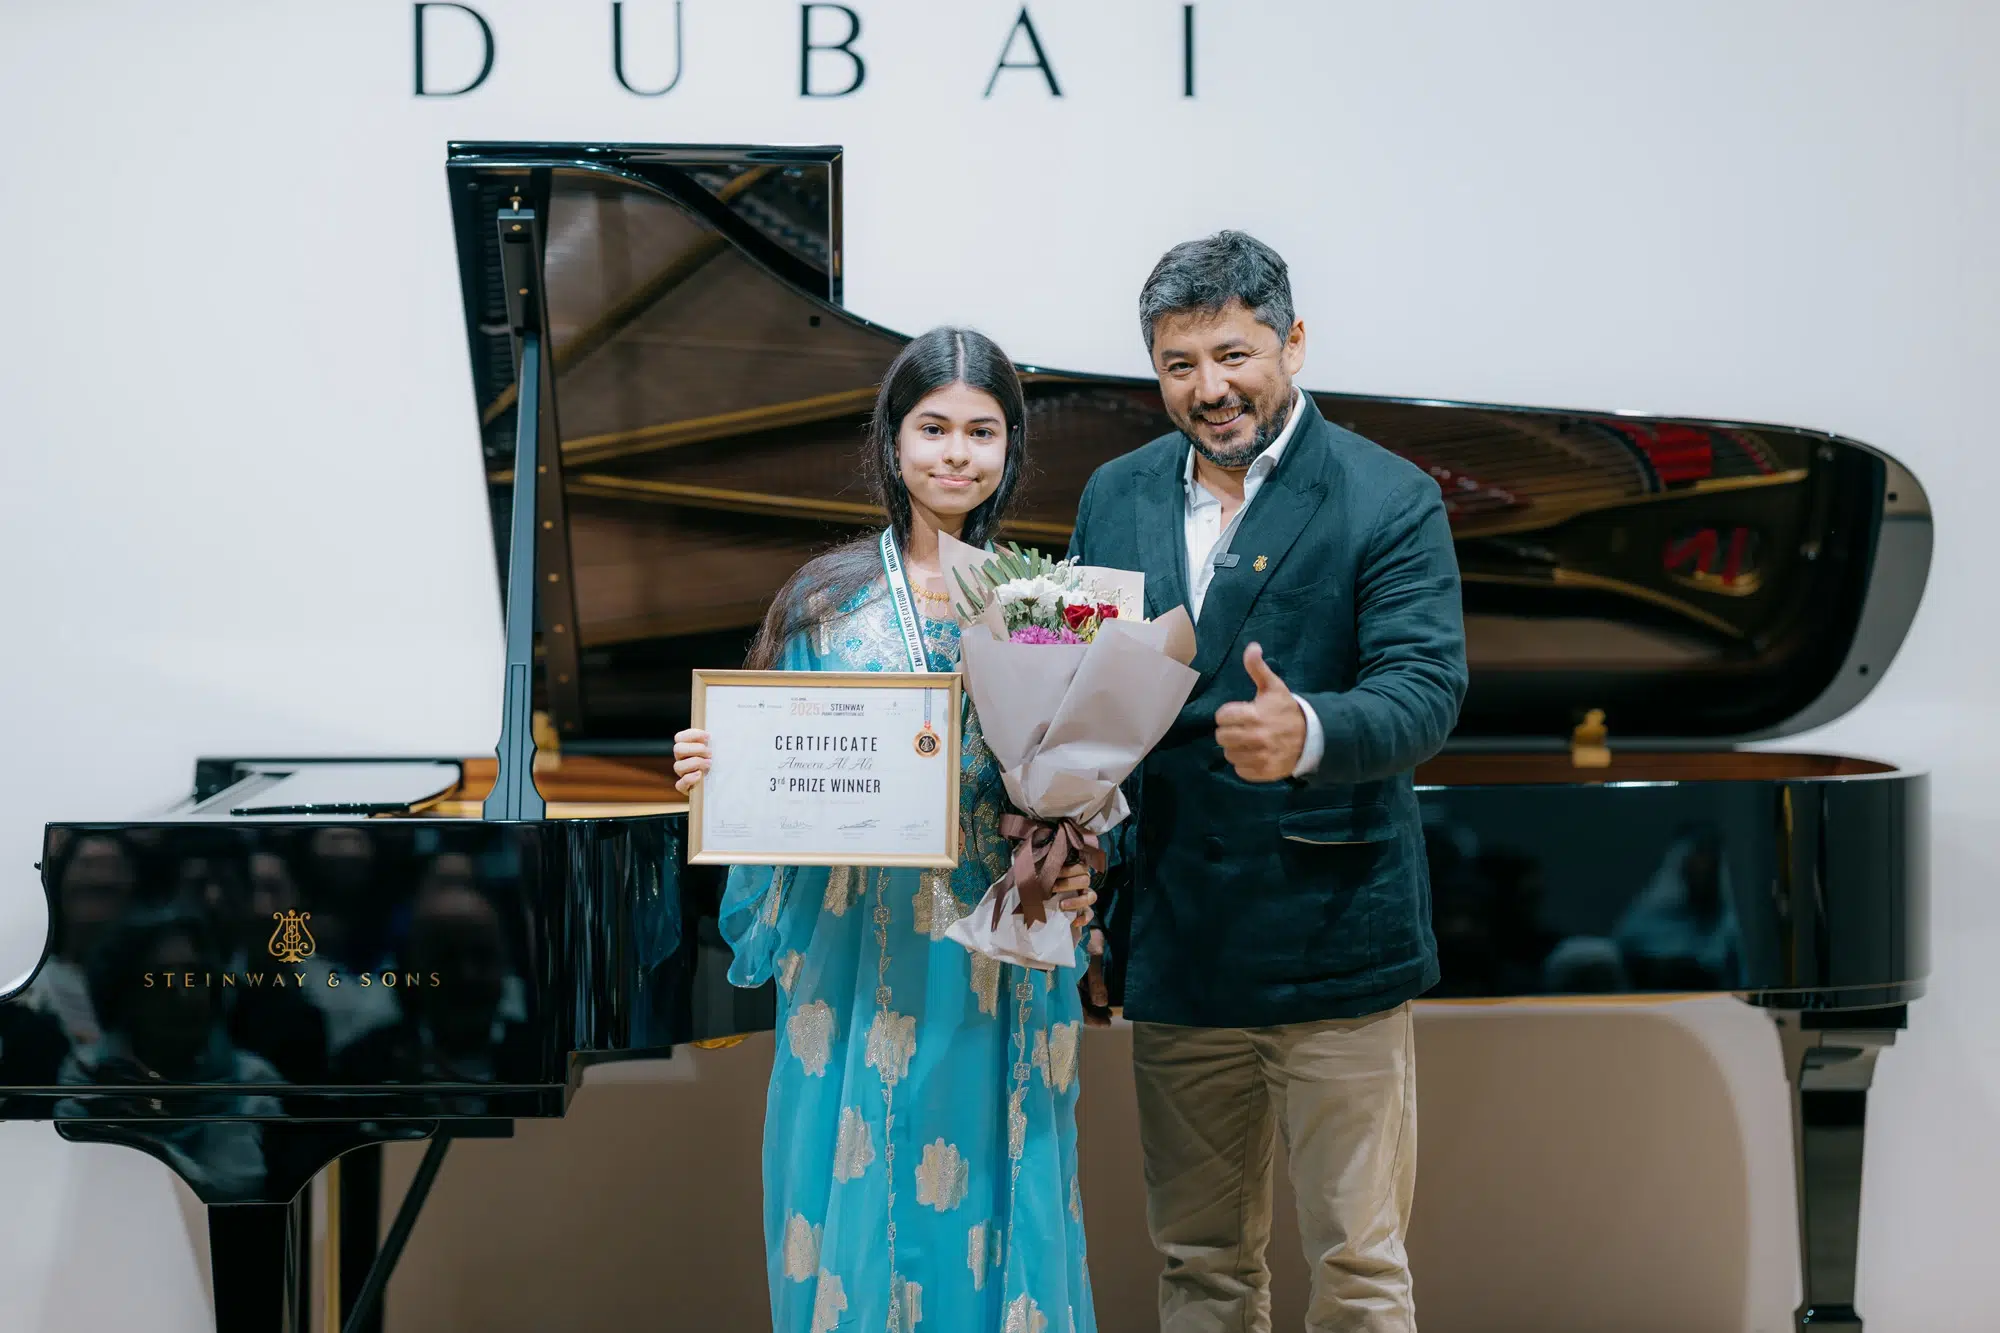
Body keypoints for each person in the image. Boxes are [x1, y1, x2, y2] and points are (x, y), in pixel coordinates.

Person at [1068, 231, 1468, 1333]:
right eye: (1179, 364)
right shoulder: (1113, 494)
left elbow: (1426, 689)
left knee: (1359, 1267)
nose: (1209, 388)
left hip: (1335, 944)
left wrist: (1311, 731)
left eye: (1233, 355)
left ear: (1292, 342)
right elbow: (1089, 695)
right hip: (1177, 942)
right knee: (1199, 1264)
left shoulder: (1386, 494)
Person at [672, 327, 1101, 1333]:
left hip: (995, 948)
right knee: (858, 1201)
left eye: (982, 431)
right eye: (933, 427)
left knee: (1003, 1192)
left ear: (1010, 448)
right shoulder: (824, 602)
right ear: (892, 441)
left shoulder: (1048, 604)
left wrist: (1074, 858)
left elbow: (1085, 779)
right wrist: (713, 770)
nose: (956, 453)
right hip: (856, 956)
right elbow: (771, 774)